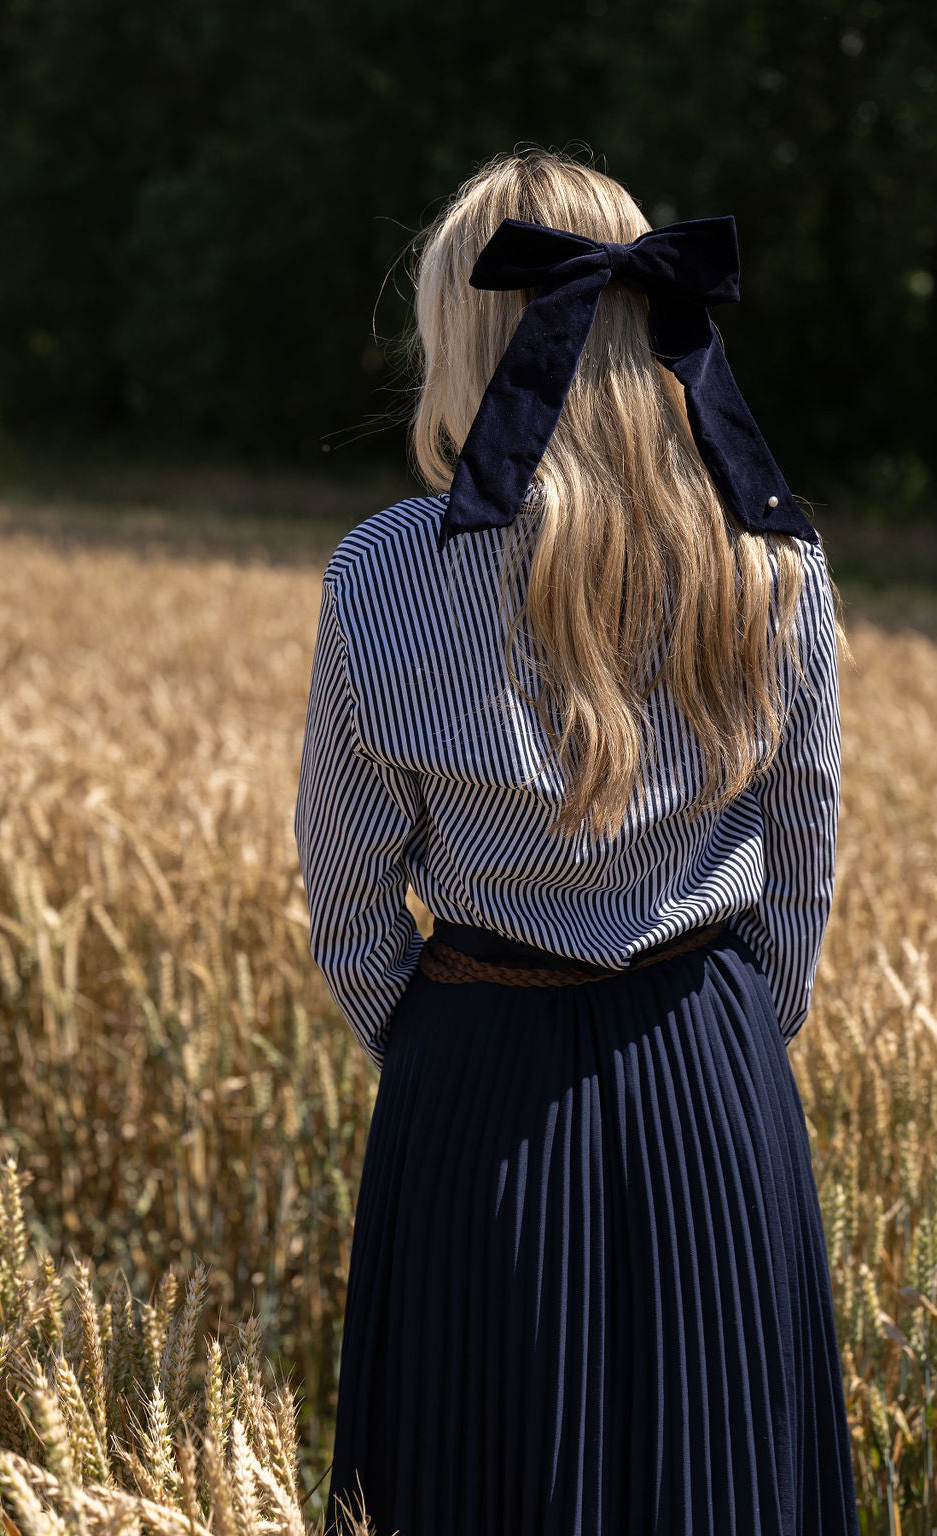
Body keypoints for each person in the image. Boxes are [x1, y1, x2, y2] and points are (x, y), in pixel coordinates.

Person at [295, 147, 859, 1536]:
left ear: (459, 339)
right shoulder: (773, 554)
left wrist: (440, 1051)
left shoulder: (378, 576)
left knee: (475, 1478)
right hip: (715, 1076)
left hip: (471, 1085)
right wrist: (727, 1026)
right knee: (718, 1480)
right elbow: (804, 855)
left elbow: (354, 903)